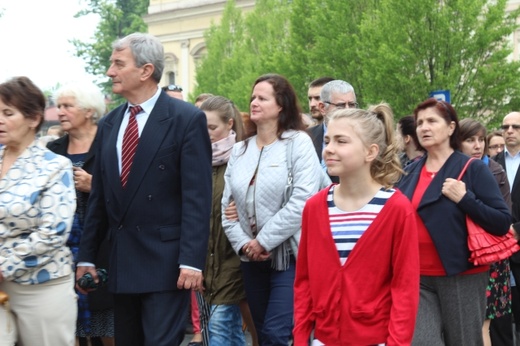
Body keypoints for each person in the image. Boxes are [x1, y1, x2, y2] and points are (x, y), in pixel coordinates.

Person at [76, 33, 212, 346]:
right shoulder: (110, 123)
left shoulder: (186, 119)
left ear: (145, 70)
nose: (110, 71)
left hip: (166, 265)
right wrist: (87, 256)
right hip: (122, 263)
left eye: (118, 64)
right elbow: (100, 198)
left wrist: (191, 261)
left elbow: (197, 197)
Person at [294, 104, 420, 345]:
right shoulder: (314, 207)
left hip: (376, 339)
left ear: (370, 152)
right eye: (328, 140)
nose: (329, 149)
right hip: (323, 338)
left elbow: (405, 289)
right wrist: (300, 339)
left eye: (341, 141)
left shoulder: (396, 209)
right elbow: (304, 282)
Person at [222, 73, 327, 345]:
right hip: (251, 259)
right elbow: (227, 208)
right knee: (261, 332)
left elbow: (303, 199)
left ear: (281, 105)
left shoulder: (298, 143)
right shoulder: (240, 150)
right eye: (253, 97)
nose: (254, 102)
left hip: (289, 255)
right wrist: (246, 245)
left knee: (277, 333)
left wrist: (264, 241)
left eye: (262, 98)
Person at [397, 98, 511, 345]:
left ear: (450, 128)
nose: (423, 128)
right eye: (419, 123)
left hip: (461, 274)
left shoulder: (472, 168)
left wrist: (465, 198)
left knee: (463, 341)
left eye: (431, 121)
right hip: (417, 276)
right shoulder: (411, 170)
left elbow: (502, 221)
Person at [0, 76, 77, 345]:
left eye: (8, 113)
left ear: (33, 119)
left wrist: (2, 265)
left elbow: (53, 232)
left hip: (42, 288)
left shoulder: (54, 166)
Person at [47, 81, 114, 346]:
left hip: (107, 248)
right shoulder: (52, 150)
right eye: (58, 105)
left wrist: (93, 185)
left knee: (109, 326)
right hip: (65, 250)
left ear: (88, 110)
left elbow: (131, 195)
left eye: (67, 106)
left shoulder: (111, 144)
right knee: (70, 326)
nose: (60, 111)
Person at [198, 95, 258, 346]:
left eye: (212, 127)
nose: (207, 133)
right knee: (227, 330)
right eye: (202, 127)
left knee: (220, 326)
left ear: (229, 124)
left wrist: (243, 211)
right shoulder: (196, 159)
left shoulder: (245, 156)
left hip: (235, 255)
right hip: (207, 258)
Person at [459, 118, 513, 346]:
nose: (478, 145)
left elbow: (502, 218)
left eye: (481, 140)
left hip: (488, 254)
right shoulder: (451, 168)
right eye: (470, 140)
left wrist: (465, 198)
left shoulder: (493, 169)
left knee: (483, 325)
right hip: (461, 255)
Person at [492, 111, 520, 342]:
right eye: (506, 126)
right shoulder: (493, 164)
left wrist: (517, 230)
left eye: (516, 127)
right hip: (498, 247)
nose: (509, 130)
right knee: (500, 316)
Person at [308, 80, 357, 183]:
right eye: (341, 106)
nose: (348, 110)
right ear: (322, 108)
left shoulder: (363, 138)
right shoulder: (306, 137)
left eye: (352, 105)